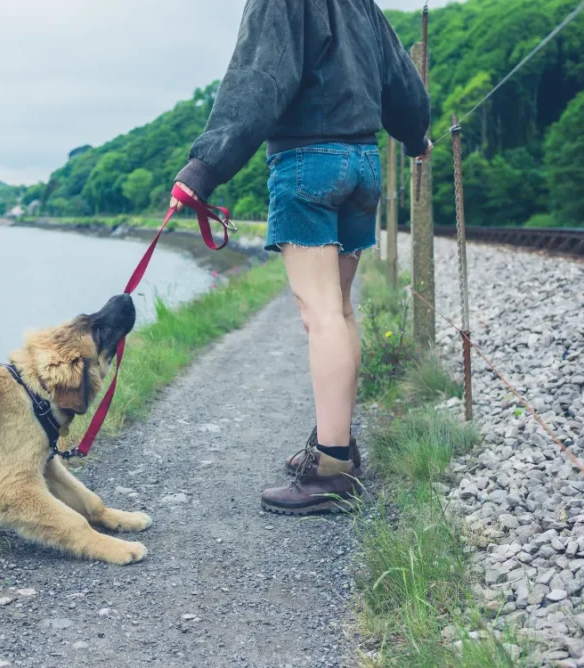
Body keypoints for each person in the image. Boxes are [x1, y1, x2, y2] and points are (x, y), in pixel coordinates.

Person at [172, 0, 432, 515]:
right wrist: (415, 135)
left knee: (320, 314)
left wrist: (203, 169)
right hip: (362, 163)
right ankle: (337, 443)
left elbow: (258, 80)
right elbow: (401, 80)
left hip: (308, 165)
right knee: (339, 309)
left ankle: (332, 468)